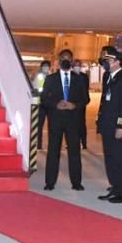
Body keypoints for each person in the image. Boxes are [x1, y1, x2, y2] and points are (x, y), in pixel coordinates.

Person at [42, 49, 88, 190]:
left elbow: (86, 99)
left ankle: (76, 183)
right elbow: (44, 98)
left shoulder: (79, 79)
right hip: (56, 120)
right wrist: (56, 104)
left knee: (74, 152)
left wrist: (74, 105)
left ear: (72, 60)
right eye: (63, 58)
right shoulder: (51, 79)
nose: (66, 60)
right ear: (59, 60)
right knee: (53, 151)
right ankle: (50, 183)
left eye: (68, 58)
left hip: (73, 121)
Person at [96, 48, 122, 203]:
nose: (106, 64)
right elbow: (105, 101)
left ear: (118, 62)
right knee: (110, 158)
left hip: (116, 126)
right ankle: (115, 187)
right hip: (107, 124)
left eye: (109, 61)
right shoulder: (108, 77)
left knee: (121, 159)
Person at [72, 59, 90, 150]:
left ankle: (84, 143)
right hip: (71, 103)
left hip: (81, 104)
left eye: (78, 65)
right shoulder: (70, 75)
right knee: (72, 124)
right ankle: (72, 143)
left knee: (81, 124)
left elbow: (86, 90)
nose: (77, 67)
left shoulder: (84, 77)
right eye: (75, 65)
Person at [33, 60, 51, 147]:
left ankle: (47, 144)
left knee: (51, 126)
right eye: (44, 66)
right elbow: (36, 88)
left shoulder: (50, 76)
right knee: (39, 125)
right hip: (41, 104)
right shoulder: (40, 76)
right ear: (41, 67)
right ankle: (39, 144)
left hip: (49, 104)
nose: (46, 67)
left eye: (47, 66)